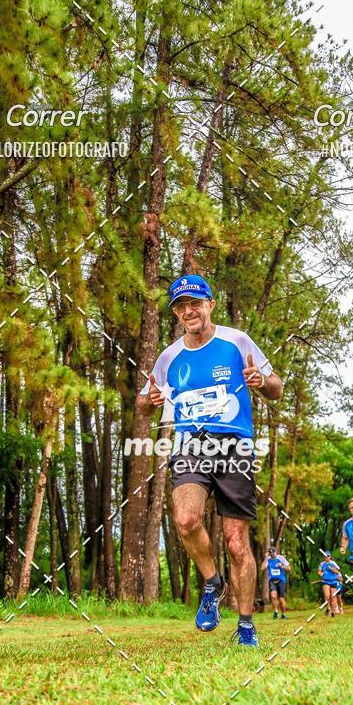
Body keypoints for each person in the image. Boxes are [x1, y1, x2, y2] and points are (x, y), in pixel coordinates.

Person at [138, 274, 283, 646]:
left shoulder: (236, 341)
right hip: (191, 445)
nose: (189, 311)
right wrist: (149, 402)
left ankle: (246, 624)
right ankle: (212, 582)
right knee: (186, 519)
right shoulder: (169, 356)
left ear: (210, 305)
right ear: (177, 313)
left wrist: (259, 382)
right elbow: (142, 402)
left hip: (235, 445)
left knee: (237, 543)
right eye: (181, 307)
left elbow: (277, 388)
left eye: (195, 304)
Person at [261, 547, 290, 619]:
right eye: (270, 553)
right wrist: (265, 558)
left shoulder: (281, 558)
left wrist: (282, 566)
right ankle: (276, 612)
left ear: (276, 552)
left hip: (281, 580)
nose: (272, 554)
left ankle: (283, 614)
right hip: (272, 580)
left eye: (273, 552)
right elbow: (262, 568)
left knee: (281, 599)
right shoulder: (268, 559)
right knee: (273, 596)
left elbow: (289, 568)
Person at [317, 551, 342, 617]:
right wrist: (321, 574)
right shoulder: (322, 564)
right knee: (327, 595)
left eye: (327, 556)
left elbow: (337, 572)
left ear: (330, 557)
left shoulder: (333, 563)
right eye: (325, 556)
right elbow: (319, 572)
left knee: (333, 597)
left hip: (333, 581)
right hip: (325, 581)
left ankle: (333, 612)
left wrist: (331, 569)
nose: (326, 558)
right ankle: (328, 608)